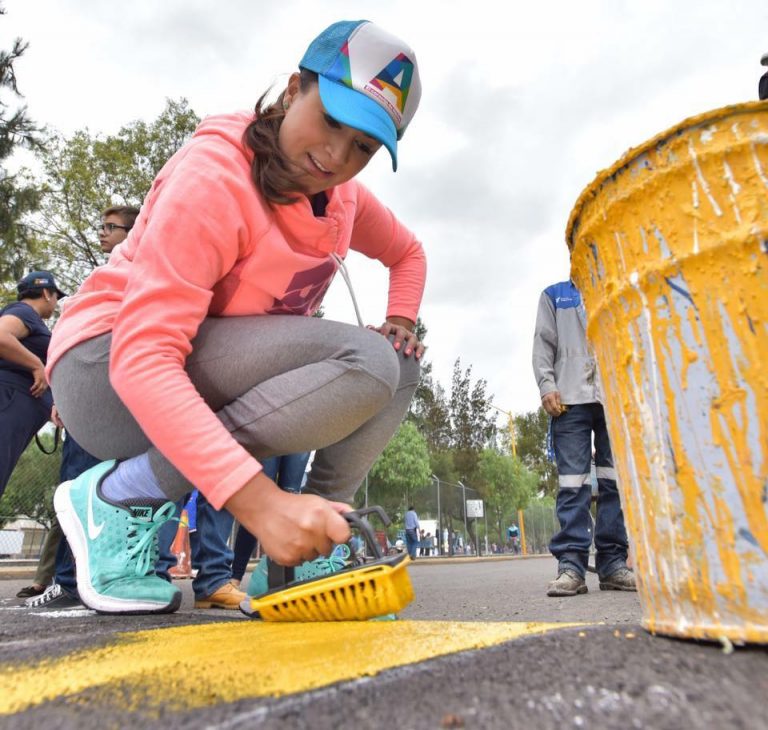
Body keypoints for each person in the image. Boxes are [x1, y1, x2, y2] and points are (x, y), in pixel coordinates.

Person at [47, 19, 425, 615]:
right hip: (105, 367)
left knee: (397, 364)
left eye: (363, 147)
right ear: (295, 88)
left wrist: (401, 317)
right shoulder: (216, 177)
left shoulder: (345, 200)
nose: (335, 155)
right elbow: (145, 356)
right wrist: (259, 503)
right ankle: (118, 497)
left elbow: (409, 253)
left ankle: (310, 549)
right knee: (365, 360)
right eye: (330, 121)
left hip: (201, 367)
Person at [21, 207, 138, 607]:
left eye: (111, 227)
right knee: (77, 487)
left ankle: (115, 577)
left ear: (135, 232)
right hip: (90, 393)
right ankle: (69, 582)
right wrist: (62, 391)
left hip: (126, 394)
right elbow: (71, 339)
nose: (102, 233)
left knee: (121, 491)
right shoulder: (100, 281)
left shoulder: (147, 273)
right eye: (101, 226)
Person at [532, 279, 636, 597]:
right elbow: (543, 343)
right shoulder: (555, 295)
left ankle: (613, 564)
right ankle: (571, 566)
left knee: (614, 482)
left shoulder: (617, 290)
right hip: (569, 398)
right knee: (573, 484)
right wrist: (547, 384)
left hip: (613, 398)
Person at [0, 271, 66, 499]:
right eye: (57, 297)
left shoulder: (31, 320)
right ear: (47, 293)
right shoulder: (24, 312)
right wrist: (36, 364)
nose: (56, 303)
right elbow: (1, 335)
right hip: (7, 402)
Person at [231, 452, 311, 587]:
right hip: (270, 433)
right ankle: (235, 576)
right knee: (257, 503)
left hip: (301, 438)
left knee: (288, 505)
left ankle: (281, 581)